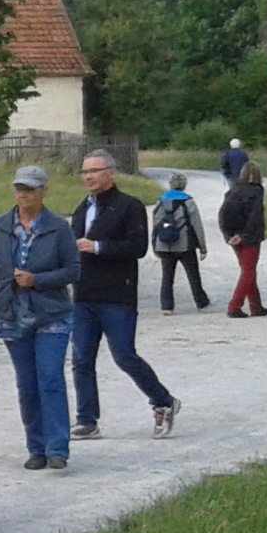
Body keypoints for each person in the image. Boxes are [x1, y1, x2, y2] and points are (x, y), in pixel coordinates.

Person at [0, 165, 80, 469]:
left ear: (43, 191)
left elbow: (73, 271)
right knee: (27, 384)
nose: (22, 194)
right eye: (19, 188)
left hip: (52, 315)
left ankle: (58, 448)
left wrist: (37, 279)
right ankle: (36, 448)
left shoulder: (58, 227)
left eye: (29, 189)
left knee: (50, 379)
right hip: (11, 314)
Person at [68, 151, 181, 440]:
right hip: (84, 295)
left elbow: (138, 247)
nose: (89, 177)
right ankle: (87, 419)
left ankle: (163, 401)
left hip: (117, 294)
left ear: (112, 173)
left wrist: (97, 247)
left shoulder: (128, 206)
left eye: (95, 171)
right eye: (85, 172)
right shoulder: (83, 208)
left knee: (124, 356)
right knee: (81, 360)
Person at [150, 171, 210, 313]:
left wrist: (155, 245)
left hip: (164, 245)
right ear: (184, 185)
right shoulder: (188, 202)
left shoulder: (160, 202)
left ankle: (167, 306)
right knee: (193, 275)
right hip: (185, 245)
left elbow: (155, 225)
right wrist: (202, 247)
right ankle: (201, 302)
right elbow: (197, 225)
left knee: (167, 277)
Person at [220, 161, 267, 317]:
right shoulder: (257, 192)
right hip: (250, 236)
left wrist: (229, 235)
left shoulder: (232, 191)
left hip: (234, 236)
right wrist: (244, 235)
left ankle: (256, 306)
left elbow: (222, 214)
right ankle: (235, 306)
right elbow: (255, 216)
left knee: (247, 271)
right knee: (248, 272)